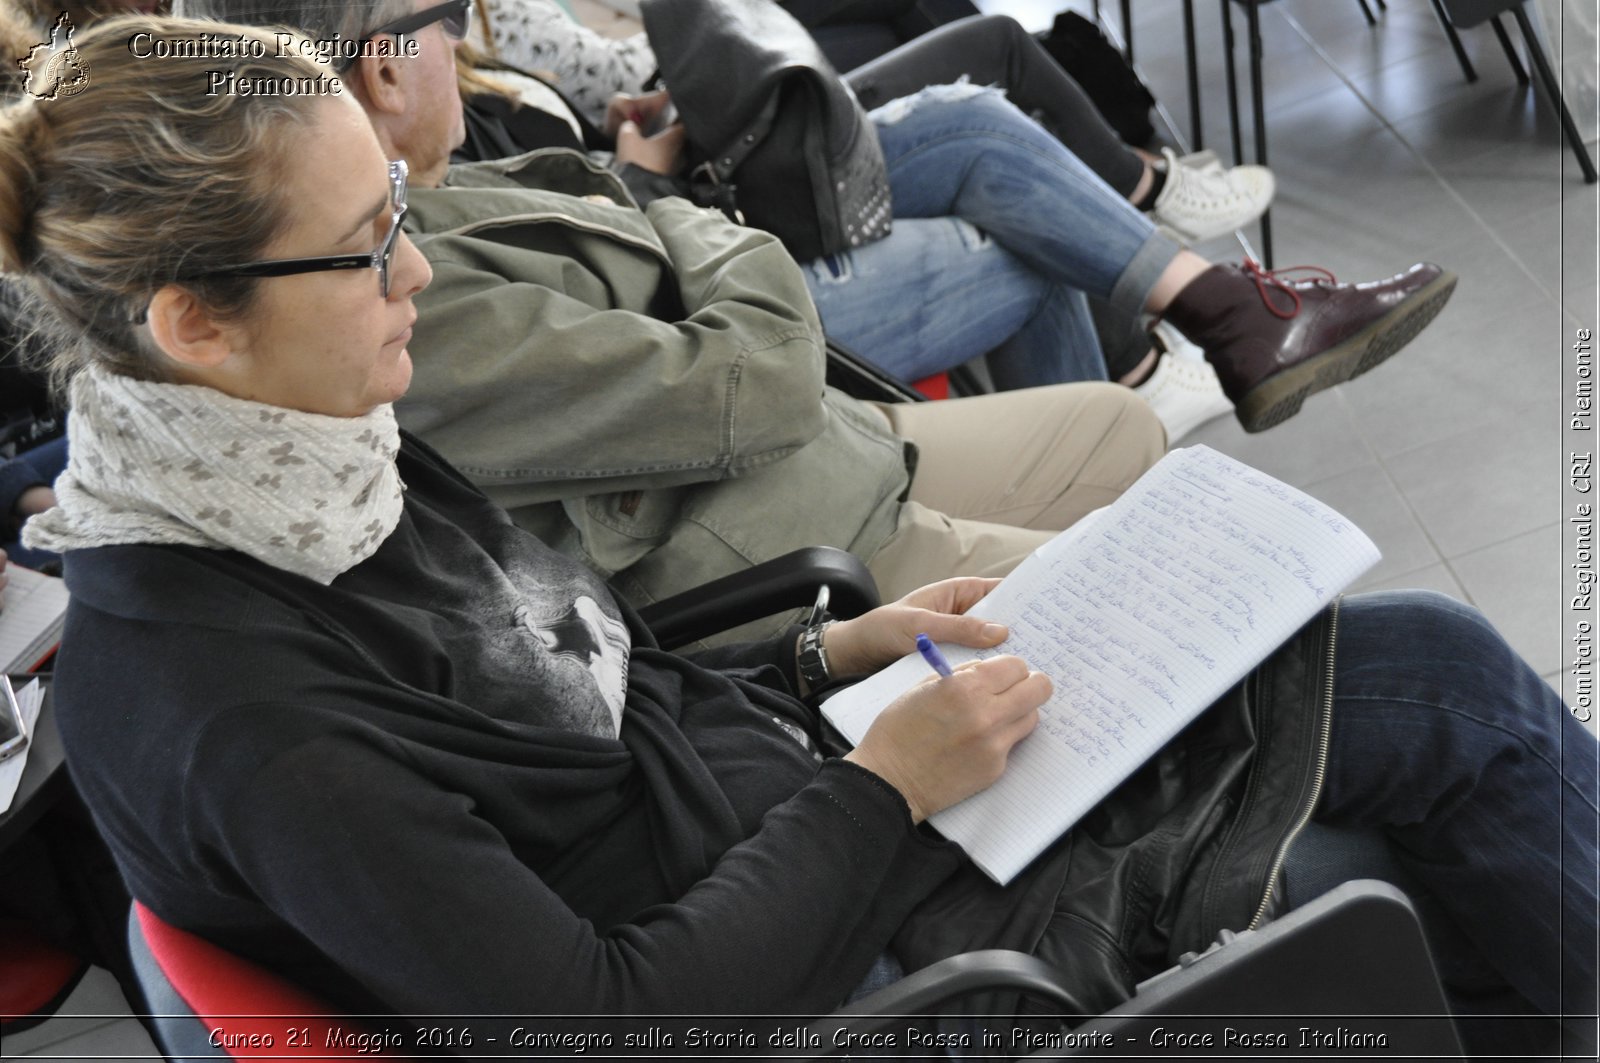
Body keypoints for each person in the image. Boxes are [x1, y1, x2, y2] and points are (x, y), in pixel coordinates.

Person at [5, 19, 1593, 1056]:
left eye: (400, 224)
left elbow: (600, 681)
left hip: (811, 811)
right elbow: (616, 1021)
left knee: (1429, 677)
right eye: (366, 251)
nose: (414, 275)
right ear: (193, 322)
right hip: (867, 967)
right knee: (1447, 717)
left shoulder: (318, 456)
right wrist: (885, 781)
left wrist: (836, 648)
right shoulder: (234, 708)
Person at [178, 0, 1454, 641]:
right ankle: (1196, 309)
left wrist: (682, 229)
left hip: (787, 446)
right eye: (447, 27)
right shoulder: (405, 284)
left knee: (976, 112)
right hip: (777, 516)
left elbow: (634, 214)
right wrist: (704, 238)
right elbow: (744, 375)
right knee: (1017, 227)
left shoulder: (428, 206)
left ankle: (1210, 316)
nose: (465, 43)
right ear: (389, 65)